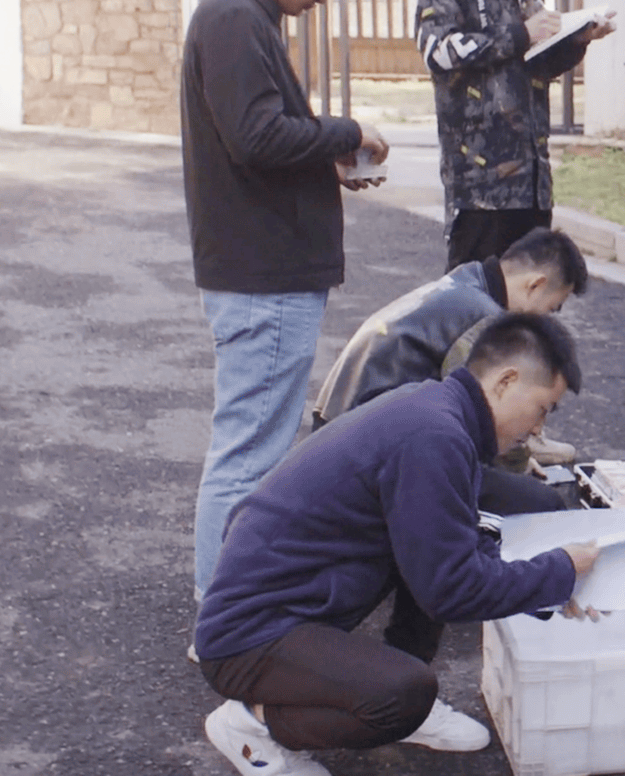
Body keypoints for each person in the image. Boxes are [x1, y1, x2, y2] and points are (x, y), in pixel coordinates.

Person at [194, 314, 600, 776]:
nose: (537, 429)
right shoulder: (435, 436)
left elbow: (455, 546)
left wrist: (554, 587)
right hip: (247, 636)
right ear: (507, 381)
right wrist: (560, 570)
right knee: (402, 696)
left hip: (287, 607)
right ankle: (251, 726)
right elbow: (453, 589)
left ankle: (372, 687)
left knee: (442, 546)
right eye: (543, 408)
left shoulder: (439, 410)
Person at [181, 0, 390, 604]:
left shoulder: (241, 14)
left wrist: (320, 159)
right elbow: (257, 137)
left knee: (252, 449)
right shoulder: (235, 17)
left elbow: (255, 141)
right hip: (263, 275)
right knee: (248, 457)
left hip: (260, 268)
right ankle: (226, 619)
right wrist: (343, 133)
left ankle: (230, 608)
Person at [416, 0, 615, 274]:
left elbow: (529, 64)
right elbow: (437, 51)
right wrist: (519, 33)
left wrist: (577, 40)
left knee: (530, 310)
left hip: (531, 178)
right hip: (479, 184)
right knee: (475, 308)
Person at [311, 227, 588, 480]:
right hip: (360, 445)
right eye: (552, 308)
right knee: (528, 498)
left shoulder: (468, 279)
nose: (547, 320)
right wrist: (517, 463)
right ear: (535, 285)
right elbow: (483, 413)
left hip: (336, 420)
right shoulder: (484, 318)